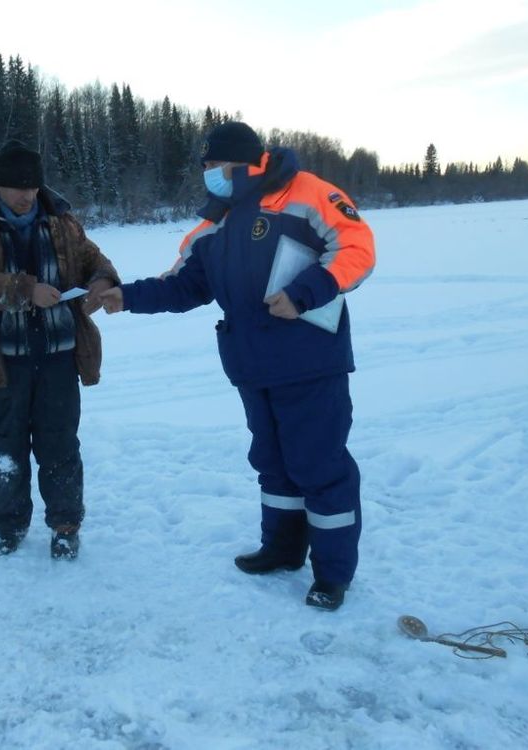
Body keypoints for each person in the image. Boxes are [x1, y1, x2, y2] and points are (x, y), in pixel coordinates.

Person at [100, 122, 375, 610]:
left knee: (319, 465)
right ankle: (282, 550)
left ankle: (332, 575)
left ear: (245, 162)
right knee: (272, 464)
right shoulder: (215, 225)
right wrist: (127, 296)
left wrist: (304, 293)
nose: (208, 175)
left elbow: (357, 249)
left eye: (213, 166)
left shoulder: (308, 193)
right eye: (204, 167)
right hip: (253, 366)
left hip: (310, 361)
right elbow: (183, 285)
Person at [0, 140, 120, 560]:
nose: (27, 196)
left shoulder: (60, 219)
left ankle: (65, 524)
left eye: (33, 188)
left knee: (60, 445)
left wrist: (101, 280)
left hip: (59, 353)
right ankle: (8, 526)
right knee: (5, 448)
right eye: (17, 188)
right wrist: (23, 290)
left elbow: (93, 258)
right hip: (0, 359)